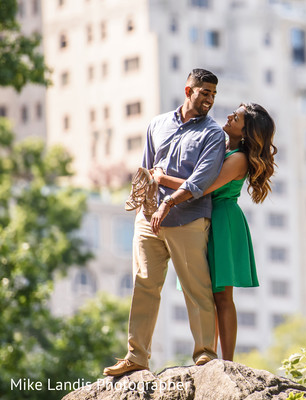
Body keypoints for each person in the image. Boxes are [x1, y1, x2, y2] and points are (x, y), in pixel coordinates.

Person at [103, 68, 226, 376]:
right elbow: (146, 170)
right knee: (144, 285)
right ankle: (137, 356)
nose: (210, 99)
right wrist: (145, 205)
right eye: (204, 93)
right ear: (189, 91)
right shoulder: (157, 124)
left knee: (196, 289)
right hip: (149, 221)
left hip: (188, 221)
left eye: (213, 94)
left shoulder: (213, 134)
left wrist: (169, 201)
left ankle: (206, 356)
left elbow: (202, 180)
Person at [151, 102, 277, 361]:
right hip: (205, 216)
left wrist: (162, 179)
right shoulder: (220, 147)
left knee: (222, 296)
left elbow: (202, 187)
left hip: (223, 221)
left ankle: (227, 362)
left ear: (247, 131)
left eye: (238, 117)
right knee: (202, 292)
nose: (230, 115)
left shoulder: (239, 158)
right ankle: (208, 353)